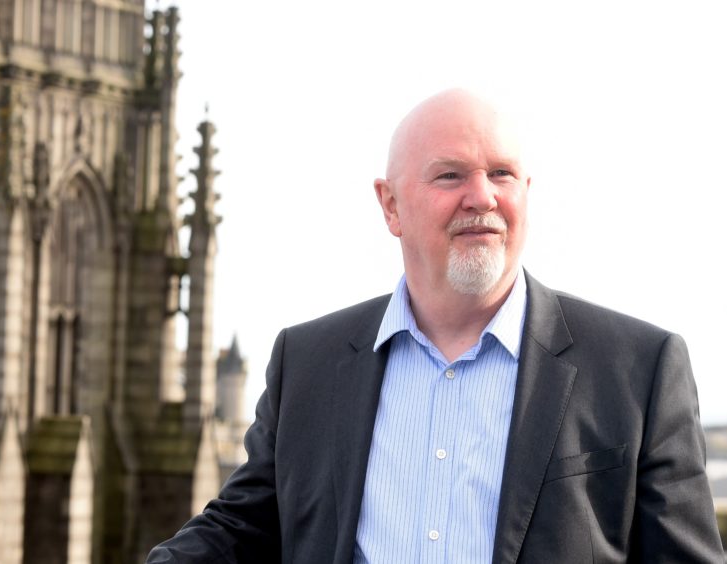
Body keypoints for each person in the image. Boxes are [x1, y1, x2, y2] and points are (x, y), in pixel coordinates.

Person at [147, 89, 723, 563]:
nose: (482, 197)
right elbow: (242, 530)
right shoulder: (308, 362)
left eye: (502, 173)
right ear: (390, 205)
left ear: (527, 192)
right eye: (450, 176)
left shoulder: (639, 368)